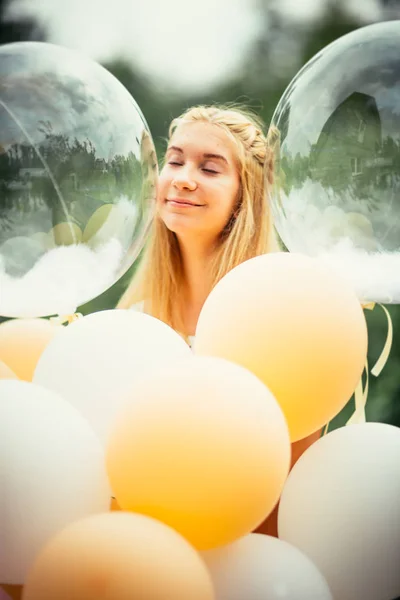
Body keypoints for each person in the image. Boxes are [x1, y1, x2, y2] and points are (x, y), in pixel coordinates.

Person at [117, 104, 280, 342]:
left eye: (210, 169)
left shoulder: (279, 317)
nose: (182, 180)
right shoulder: (135, 322)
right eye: (174, 162)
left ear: (245, 197)